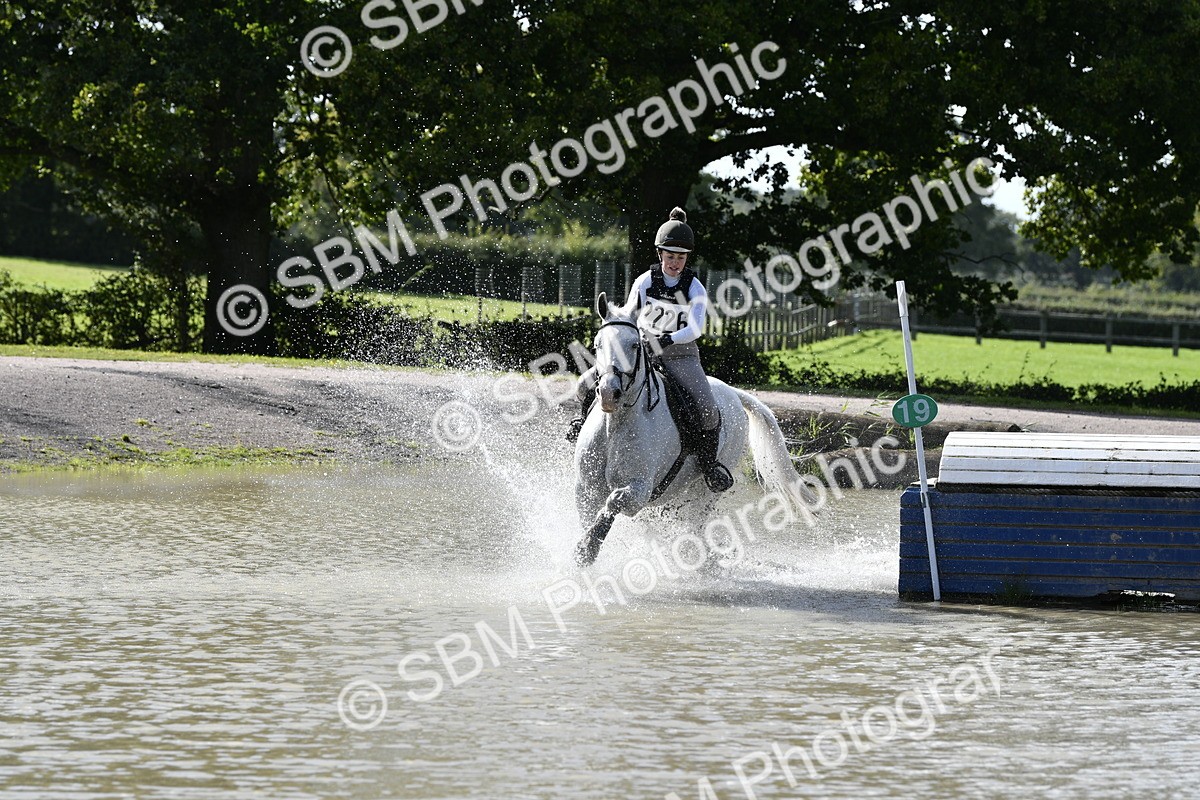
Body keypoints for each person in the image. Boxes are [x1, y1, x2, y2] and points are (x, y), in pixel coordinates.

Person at [567, 207, 734, 493]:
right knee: (585, 384)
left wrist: (669, 339)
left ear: (686, 258)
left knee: (707, 408)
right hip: (641, 351)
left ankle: (709, 465)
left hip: (680, 354)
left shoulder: (694, 287)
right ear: (660, 255)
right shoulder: (645, 281)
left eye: (680, 258)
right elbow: (631, 314)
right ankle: (581, 424)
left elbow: (696, 329)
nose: (675, 263)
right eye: (670, 257)